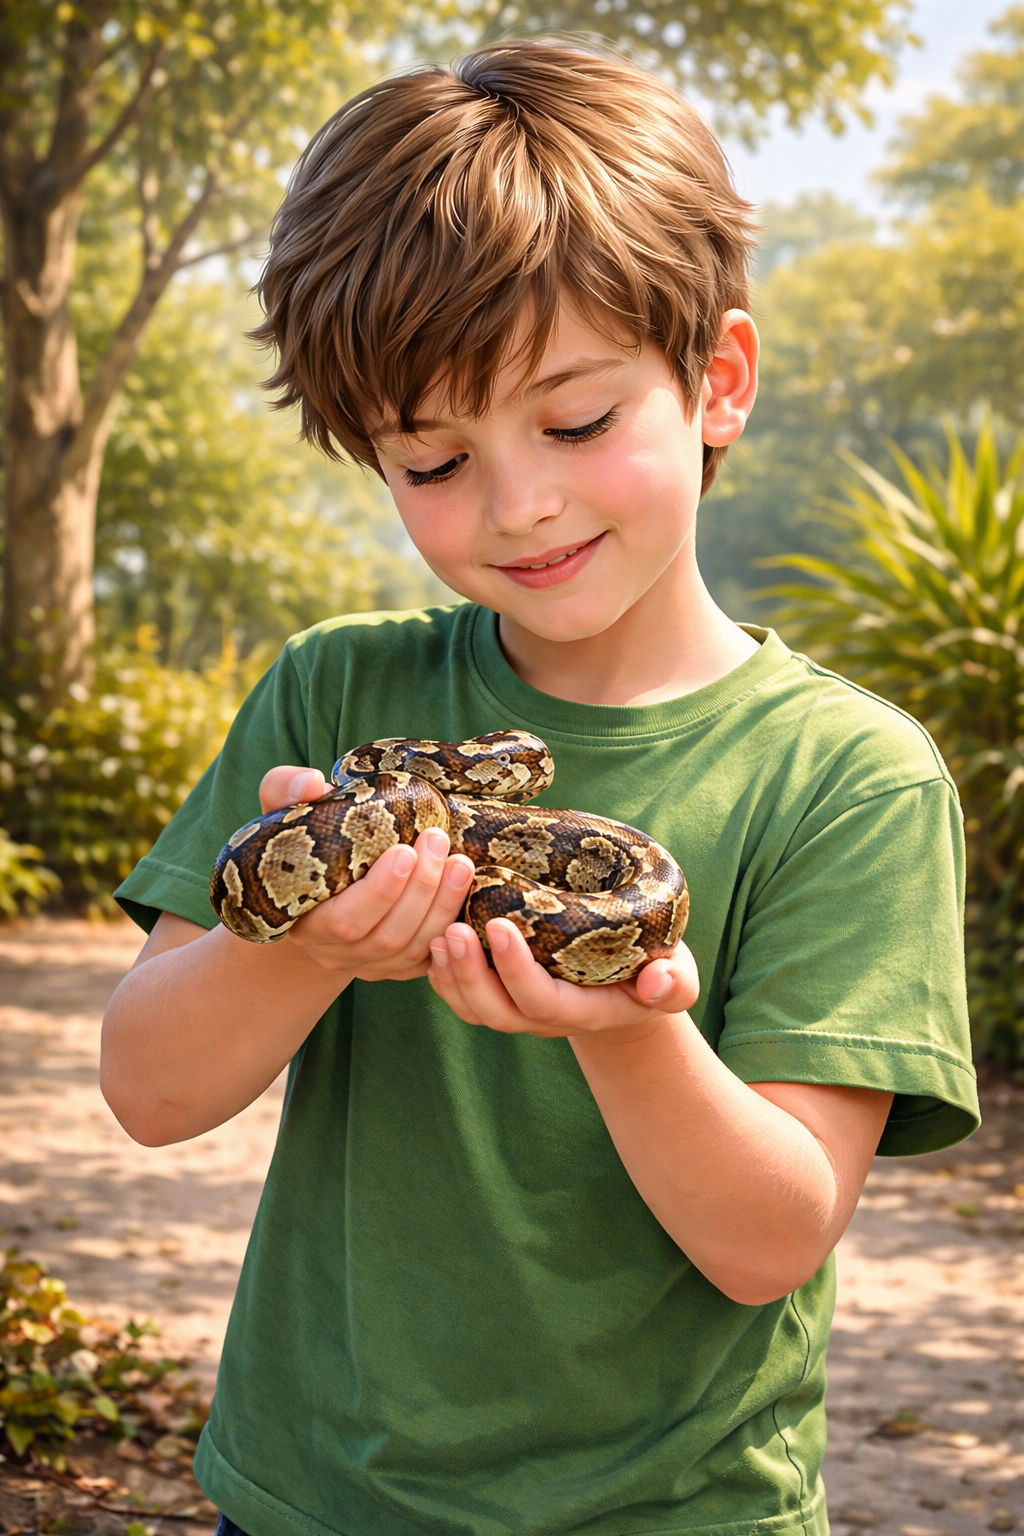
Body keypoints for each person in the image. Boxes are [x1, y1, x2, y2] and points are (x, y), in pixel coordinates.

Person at [103, 40, 979, 1536]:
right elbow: (150, 1089)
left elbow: (771, 1241)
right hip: (315, 1494)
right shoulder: (340, 693)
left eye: (574, 423)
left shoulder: (850, 779)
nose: (520, 504)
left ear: (718, 382)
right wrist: (310, 945)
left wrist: (627, 1034)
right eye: (433, 460)